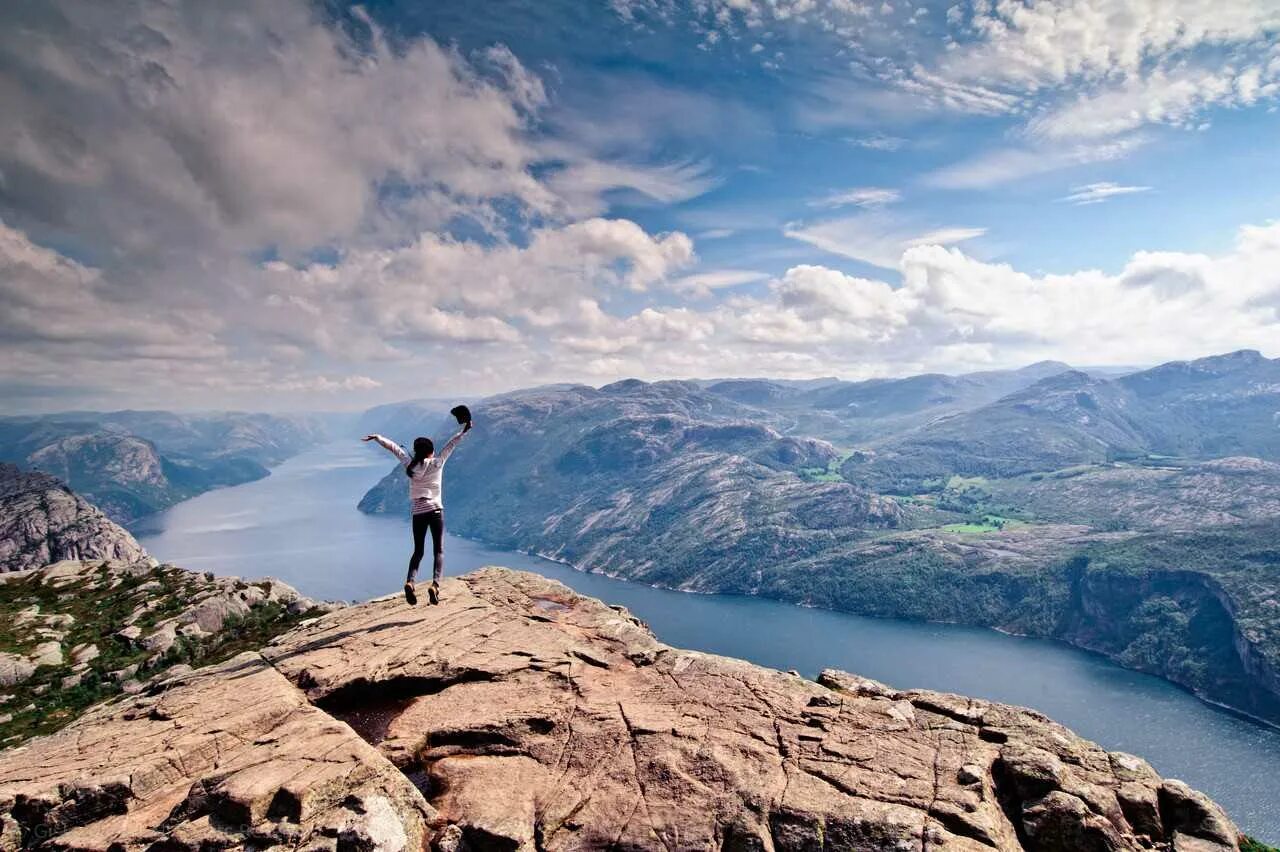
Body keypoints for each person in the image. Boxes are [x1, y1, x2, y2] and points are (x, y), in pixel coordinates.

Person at [363, 419, 471, 605]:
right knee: (438, 550)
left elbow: (395, 449)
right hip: (436, 510)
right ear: (431, 451)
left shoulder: (410, 465)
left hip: (418, 511)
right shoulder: (438, 462)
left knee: (418, 551)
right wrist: (464, 430)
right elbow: (451, 444)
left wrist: (378, 437)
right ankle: (435, 585)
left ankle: (410, 582)